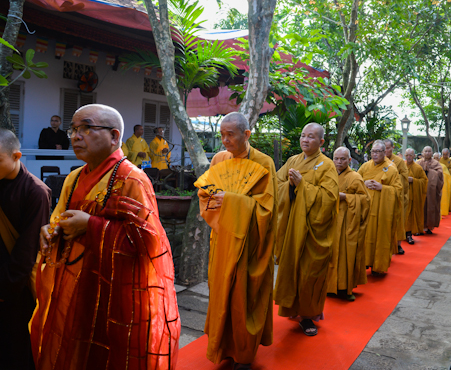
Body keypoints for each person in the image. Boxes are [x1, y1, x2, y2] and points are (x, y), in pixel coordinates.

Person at [31, 104, 180, 369]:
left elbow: (149, 243)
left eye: (86, 128)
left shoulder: (132, 179)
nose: (76, 136)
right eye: (73, 129)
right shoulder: (73, 178)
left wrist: (92, 225)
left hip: (114, 290)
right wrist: (51, 231)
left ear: (114, 136)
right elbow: (59, 217)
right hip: (73, 285)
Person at [197, 112, 276, 369]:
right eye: (222, 135)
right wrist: (218, 200)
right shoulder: (219, 159)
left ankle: (244, 353)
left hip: (248, 243)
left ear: (247, 134)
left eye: (230, 135)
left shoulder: (264, 162)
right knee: (221, 294)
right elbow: (205, 193)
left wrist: (231, 201)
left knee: (244, 298)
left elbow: (266, 208)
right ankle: (222, 348)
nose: (225, 140)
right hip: (223, 238)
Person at [274, 123, 339, 337]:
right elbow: (276, 184)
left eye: (311, 137)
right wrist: (290, 186)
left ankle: (308, 315)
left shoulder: (327, 165)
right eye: (303, 135)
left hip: (313, 231)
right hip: (292, 227)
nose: (305, 140)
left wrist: (303, 185)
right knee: (291, 269)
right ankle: (292, 308)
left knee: (310, 273)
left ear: (321, 142)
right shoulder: (293, 160)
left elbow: (329, 198)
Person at [0, 129, 51, 370]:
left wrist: (4, 290)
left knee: (15, 350)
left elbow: (27, 251)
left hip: (14, 288)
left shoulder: (35, 192)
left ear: (16, 156)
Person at [327, 147, 370, 301]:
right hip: (329, 220)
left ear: (349, 160)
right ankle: (328, 286)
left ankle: (345, 287)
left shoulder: (355, 177)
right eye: (336, 158)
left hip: (347, 222)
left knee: (345, 254)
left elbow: (365, 200)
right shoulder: (328, 175)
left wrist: (346, 197)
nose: (339, 162)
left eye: (343, 159)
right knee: (328, 253)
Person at [358, 140, 402, 275]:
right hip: (365, 209)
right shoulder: (365, 166)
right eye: (373, 151)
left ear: (384, 152)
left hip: (382, 211)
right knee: (364, 236)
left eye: (378, 151)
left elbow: (398, 190)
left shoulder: (391, 168)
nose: (375, 154)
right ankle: (364, 262)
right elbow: (355, 181)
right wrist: (364, 183)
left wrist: (382, 187)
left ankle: (378, 265)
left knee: (380, 237)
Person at [383, 139, 409, 255]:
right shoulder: (377, 161)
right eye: (384, 148)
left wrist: (393, 178)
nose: (386, 151)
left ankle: (398, 244)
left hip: (397, 195)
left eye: (388, 148)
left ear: (392, 148)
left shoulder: (399, 161)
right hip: (382, 196)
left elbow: (404, 177)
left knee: (398, 220)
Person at [417, 146, 444, 234]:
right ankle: (418, 227)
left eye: (429, 151)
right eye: (426, 151)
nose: (427, 153)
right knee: (419, 207)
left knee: (430, 207)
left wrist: (429, 170)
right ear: (422, 152)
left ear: (432, 153)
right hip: (420, 190)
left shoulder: (436, 163)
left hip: (431, 191)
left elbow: (440, 175)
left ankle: (428, 227)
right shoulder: (418, 163)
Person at [404, 148, 427, 243]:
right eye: (407, 155)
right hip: (402, 196)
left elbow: (424, 181)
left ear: (414, 156)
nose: (409, 157)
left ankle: (409, 234)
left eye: (410, 155)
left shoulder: (418, 168)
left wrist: (413, 180)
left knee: (409, 216)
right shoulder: (401, 166)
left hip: (412, 196)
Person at [434, 153, 451, 218]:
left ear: (439, 158)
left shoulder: (443, 166)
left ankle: (440, 212)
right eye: (434, 158)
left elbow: (447, 176)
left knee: (440, 199)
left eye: (437, 158)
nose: (436, 159)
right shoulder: (430, 165)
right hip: (432, 185)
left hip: (441, 185)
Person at [441, 148, 451, 213]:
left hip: (448, 181)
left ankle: (448, 208)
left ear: (448, 154)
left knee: (449, 194)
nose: (444, 156)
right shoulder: (440, 160)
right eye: (443, 154)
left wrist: (446, 170)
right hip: (441, 180)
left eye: (446, 154)